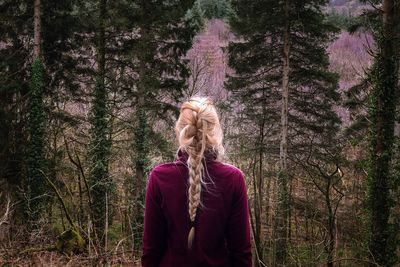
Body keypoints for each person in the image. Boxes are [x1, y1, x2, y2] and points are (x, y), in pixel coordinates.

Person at [141, 97, 252, 267]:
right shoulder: (233, 179)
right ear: (214, 132)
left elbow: (151, 252)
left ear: (180, 131)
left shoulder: (159, 177)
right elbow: (241, 254)